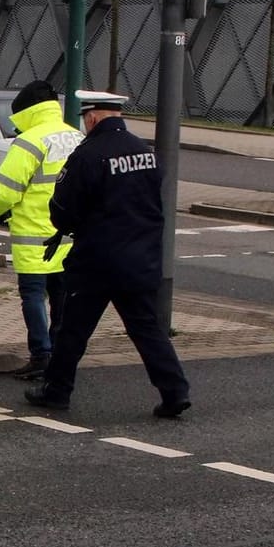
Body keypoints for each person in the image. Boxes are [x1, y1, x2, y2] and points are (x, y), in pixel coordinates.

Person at [24, 91, 191, 418]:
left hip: (96, 262)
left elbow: (63, 209)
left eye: (85, 119)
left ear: (92, 117)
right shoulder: (145, 152)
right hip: (140, 260)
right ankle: (175, 391)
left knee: (72, 329)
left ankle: (57, 391)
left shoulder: (88, 155)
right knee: (147, 329)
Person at [0, 79, 82, 381]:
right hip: (71, 236)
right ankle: (61, 354)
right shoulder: (76, 137)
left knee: (33, 295)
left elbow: (5, 192)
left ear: (27, 112)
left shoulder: (29, 142)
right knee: (61, 296)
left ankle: (41, 355)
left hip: (35, 237)